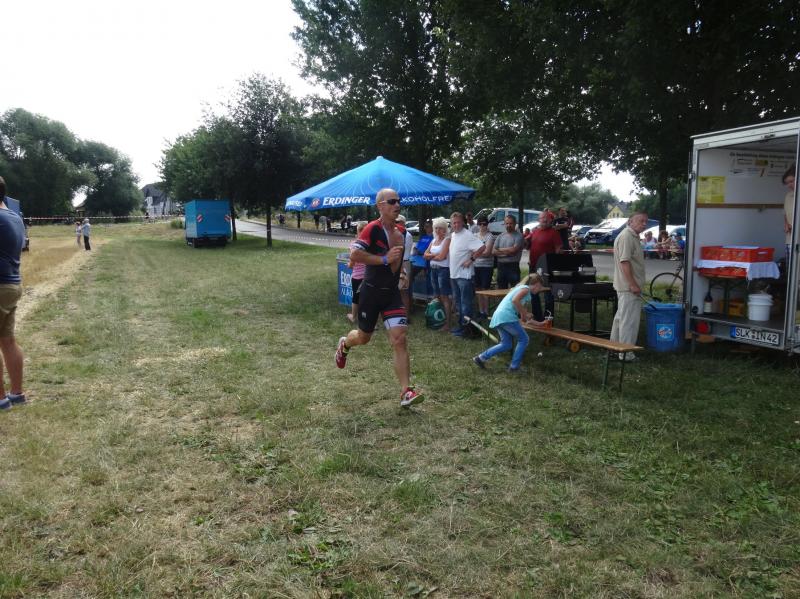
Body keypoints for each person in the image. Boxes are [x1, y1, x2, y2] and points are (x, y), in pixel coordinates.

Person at [334, 188, 423, 408]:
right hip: (371, 293)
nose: (397, 205)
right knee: (363, 338)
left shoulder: (402, 231)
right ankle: (345, 344)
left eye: (398, 201)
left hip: (391, 294)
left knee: (399, 339)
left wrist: (400, 272)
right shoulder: (372, 229)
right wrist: (384, 259)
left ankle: (406, 392)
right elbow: (355, 254)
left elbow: (397, 260)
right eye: (392, 201)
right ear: (380, 206)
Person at [472, 274, 546, 373]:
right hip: (507, 317)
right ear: (536, 284)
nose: (539, 290)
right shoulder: (526, 289)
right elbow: (515, 300)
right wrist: (525, 313)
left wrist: (539, 323)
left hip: (499, 317)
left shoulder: (521, 289)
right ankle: (514, 367)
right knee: (524, 339)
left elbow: (524, 318)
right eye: (540, 287)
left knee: (506, 344)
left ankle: (480, 358)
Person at [0, 177, 27, 410]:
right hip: (11, 284)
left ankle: (1, 400)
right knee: (8, 341)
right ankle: (16, 393)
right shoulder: (14, 217)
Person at [611, 212, 649, 361]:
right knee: (629, 322)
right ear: (630, 221)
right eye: (641, 221)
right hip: (629, 288)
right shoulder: (627, 236)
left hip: (626, 286)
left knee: (621, 318)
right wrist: (633, 284)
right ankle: (626, 354)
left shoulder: (632, 236)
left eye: (645, 221)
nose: (644, 224)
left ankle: (614, 349)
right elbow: (624, 262)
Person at [448, 211, 486, 337]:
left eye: (458, 222)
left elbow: (482, 247)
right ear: (451, 224)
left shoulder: (467, 234)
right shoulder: (453, 235)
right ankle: (462, 326)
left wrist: (471, 259)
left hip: (464, 276)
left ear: (463, 223)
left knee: (466, 304)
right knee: (459, 303)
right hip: (454, 275)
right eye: (454, 223)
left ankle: (468, 329)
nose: (456, 225)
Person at [525, 211, 562, 320]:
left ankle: (548, 319)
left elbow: (558, 249)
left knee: (547, 294)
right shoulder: (534, 232)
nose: (544, 220)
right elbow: (530, 247)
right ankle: (537, 317)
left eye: (547, 218)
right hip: (533, 266)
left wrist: (555, 264)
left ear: (550, 220)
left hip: (547, 267)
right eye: (542, 218)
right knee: (533, 292)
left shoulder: (554, 233)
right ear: (539, 220)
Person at [424, 217, 453, 332]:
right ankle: (438, 319)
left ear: (445, 229)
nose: (437, 230)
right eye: (436, 228)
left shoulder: (447, 240)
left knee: (444, 296)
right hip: (433, 270)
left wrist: (430, 256)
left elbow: (442, 257)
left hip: (443, 270)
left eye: (440, 228)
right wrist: (434, 256)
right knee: (436, 296)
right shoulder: (433, 240)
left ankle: (448, 323)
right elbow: (425, 255)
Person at [492, 215, 524, 289]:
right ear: (504, 224)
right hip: (501, 266)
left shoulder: (519, 236)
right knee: (501, 289)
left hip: (513, 266)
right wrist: (508, 252)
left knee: (515, 290)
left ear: (515, 224)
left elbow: (514, 250)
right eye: (507, 223)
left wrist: (499, 249)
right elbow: (493, 251)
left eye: (511, 223)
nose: (508, 225)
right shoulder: (500, 236)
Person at [473, 215, 495, 319]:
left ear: (487, 225)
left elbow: (487, 253)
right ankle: (481, 311)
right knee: (478, 289)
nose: (482, 226)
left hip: (487, 266)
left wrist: (475, 253)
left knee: (485, 289)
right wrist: (478, 252)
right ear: (477, 225)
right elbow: (470, 250)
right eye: (480, 224)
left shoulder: (490, 236)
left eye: (484, 224)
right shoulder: (474, 235)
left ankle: (486, 312)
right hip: (476, 265)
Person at [347, 222, 368, 323]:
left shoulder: (354, 245)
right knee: (369, 298)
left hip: (357, 277)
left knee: (356, 297)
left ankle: (354, 317)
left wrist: (348, 264)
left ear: (359, 231)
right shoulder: (371, 244)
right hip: (369, 275)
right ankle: (371, 321)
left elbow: (351, 264)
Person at [410, 220, 434, 303]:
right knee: (409, 274)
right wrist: (415, 249)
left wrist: (420, 252)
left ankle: (428, 297)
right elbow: (416, 247)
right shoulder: (423, 237)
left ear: (432, 227)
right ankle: (413, 294)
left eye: (427, 226)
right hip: (416, 259)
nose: (425, 228)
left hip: (424, 261)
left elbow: (431, 251)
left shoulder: (433, 238)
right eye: (425, 226)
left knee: (413, 274)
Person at [396, 215, 415, 316]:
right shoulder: (399, 234)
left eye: (398, 222)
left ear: (403, 223)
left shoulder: (406, 235)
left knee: (404, 291)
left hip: (404, 263)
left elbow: (400, 250)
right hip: (400, 262)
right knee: (400, 290)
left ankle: (406, 315)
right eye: (396, 222)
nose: (396, 224)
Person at [784, 164, 796, 260]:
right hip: (790, 239)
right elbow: (785, 213)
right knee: (790, 266)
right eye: (787, 183)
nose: (789, 185)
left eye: (792, 181)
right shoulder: (788, 196)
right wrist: (786, 224)